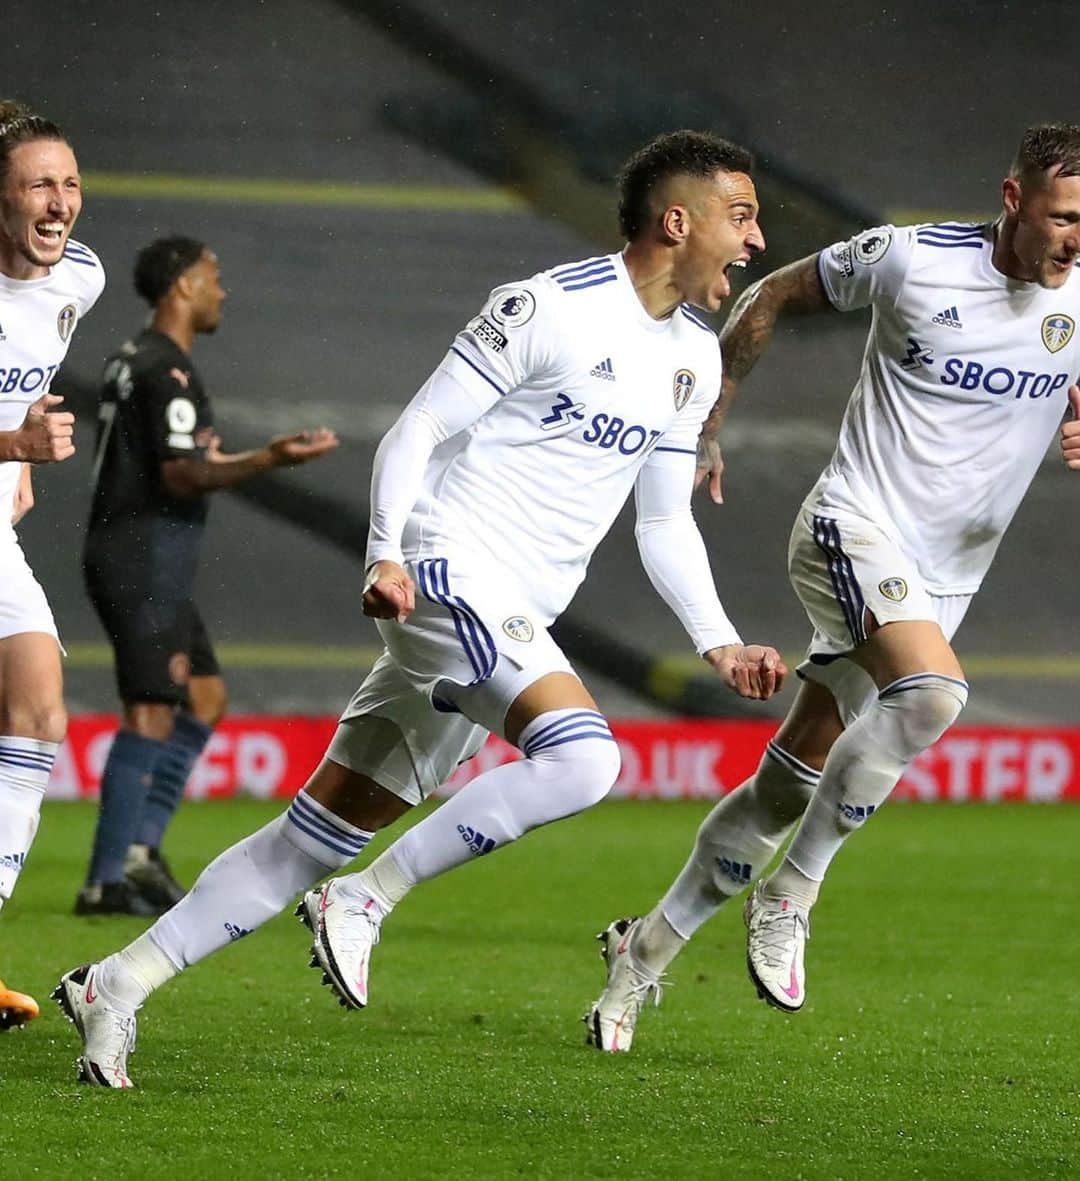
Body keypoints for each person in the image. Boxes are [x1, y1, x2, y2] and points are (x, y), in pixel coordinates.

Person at [55, 128, 787, 1086]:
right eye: (741, 216)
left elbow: (662, 521)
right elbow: (421, 426)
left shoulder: (691, 356)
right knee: (585, 758)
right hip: (446, 569)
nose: (758, 239)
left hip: (511, 610)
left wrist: (720, 641)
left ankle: (116, 981)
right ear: (676, 221)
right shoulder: (545, 307)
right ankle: (369, 899)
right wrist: (387, 552)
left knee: (309, 840)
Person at [585, 122, 1080, 1052]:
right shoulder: (909, 260)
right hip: (852, 525)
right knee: (932, 695)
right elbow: (773, 292)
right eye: (1062, 217)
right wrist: (707, 415)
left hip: (946, 575)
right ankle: (790, 891)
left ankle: (641, 954)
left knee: (789, 779)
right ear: (1013, 201)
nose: (1076, 238)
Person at [74, 236, 339, 917]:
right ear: (181, 286)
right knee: (152, 708)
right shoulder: (170, 372)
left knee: (206, 696)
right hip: (143, 555)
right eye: (213, 278)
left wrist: (217, 455)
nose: (222, 292)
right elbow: (182, 472)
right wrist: (269, 459)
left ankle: (140, 851)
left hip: (145, 552)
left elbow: (171, 455)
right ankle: (107, 876)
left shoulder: (134, 360)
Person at [0, 100, 104, 1030]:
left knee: (37, 712)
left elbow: (29, 367)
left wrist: (17, 468)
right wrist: (13, 441)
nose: (59, 199)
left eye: (69, 183)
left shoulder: (82, 277)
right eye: (38, 183)